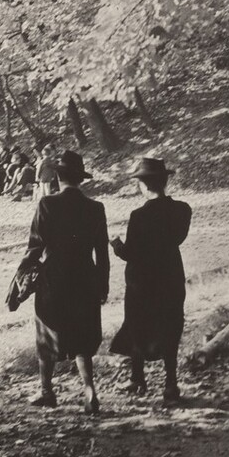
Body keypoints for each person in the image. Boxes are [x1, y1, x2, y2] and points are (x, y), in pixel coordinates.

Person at [18, 150, 109, 412]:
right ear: (81, 179)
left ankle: (46, 391)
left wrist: (22, 275)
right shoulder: (96, 208)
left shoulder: (47, 204)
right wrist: (103, 285)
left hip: (54, 278)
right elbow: (101, 252)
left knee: (46, 333)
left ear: (57, 176)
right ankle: (89, 390)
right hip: (85, 277)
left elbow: (35, 246)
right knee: (82, 335)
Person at [109, 157, 192, 403]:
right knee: (171, 325)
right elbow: (176, 239)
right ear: (165, 181)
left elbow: (131, 253)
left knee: (137, 325)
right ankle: (170, 385)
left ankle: (138, 380)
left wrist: (116, 245)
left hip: (142, 281)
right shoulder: (183, 210)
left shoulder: (139, 215)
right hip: (171, 276)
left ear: (143, 186)